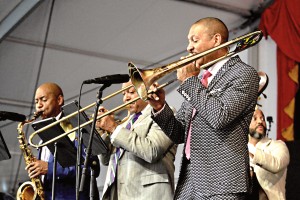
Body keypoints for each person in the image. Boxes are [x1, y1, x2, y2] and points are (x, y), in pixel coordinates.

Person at [147, 17, 260, 199]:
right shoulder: (200, 82)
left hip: (222, 181)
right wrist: (160, 107)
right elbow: (178, 133)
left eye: (195, 40)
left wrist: (190, 81)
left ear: (216, 40)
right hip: (189, 180)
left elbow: (220, 116)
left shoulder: (243, 73)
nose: (189, 47)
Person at [96, 80, 177, 200]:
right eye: (123, 94)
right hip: (121, 194)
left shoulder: (164, 113)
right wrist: (103, 132)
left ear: (147, 91)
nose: (126, 98)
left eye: (131, 92)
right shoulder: (124, 123)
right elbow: (106, 160)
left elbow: (152, 151)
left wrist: (113, 128)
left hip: (149, 195)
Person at [25, 82, 100, 200]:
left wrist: (49, 168)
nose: (39, 105)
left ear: (59, 100)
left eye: (43, 100)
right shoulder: (42, 136)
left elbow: (91, 169)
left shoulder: (78, 126)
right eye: (36, 101)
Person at [248, 108, 290, 200]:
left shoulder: (278, 146)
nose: (260, 121)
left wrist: (251, 151)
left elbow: (277, 164)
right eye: (254, 118)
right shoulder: (240, 150)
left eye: (262, 118)